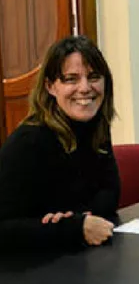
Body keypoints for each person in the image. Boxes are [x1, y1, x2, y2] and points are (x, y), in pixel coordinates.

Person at [0, 36, 119, 251]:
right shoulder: (27, 142)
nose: (85, 88)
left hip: (81, 255)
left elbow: (110, 194)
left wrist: (80, 217)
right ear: (50, 86)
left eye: (93, 77)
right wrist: (73, 227)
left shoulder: (96, 127)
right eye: (71, 79)